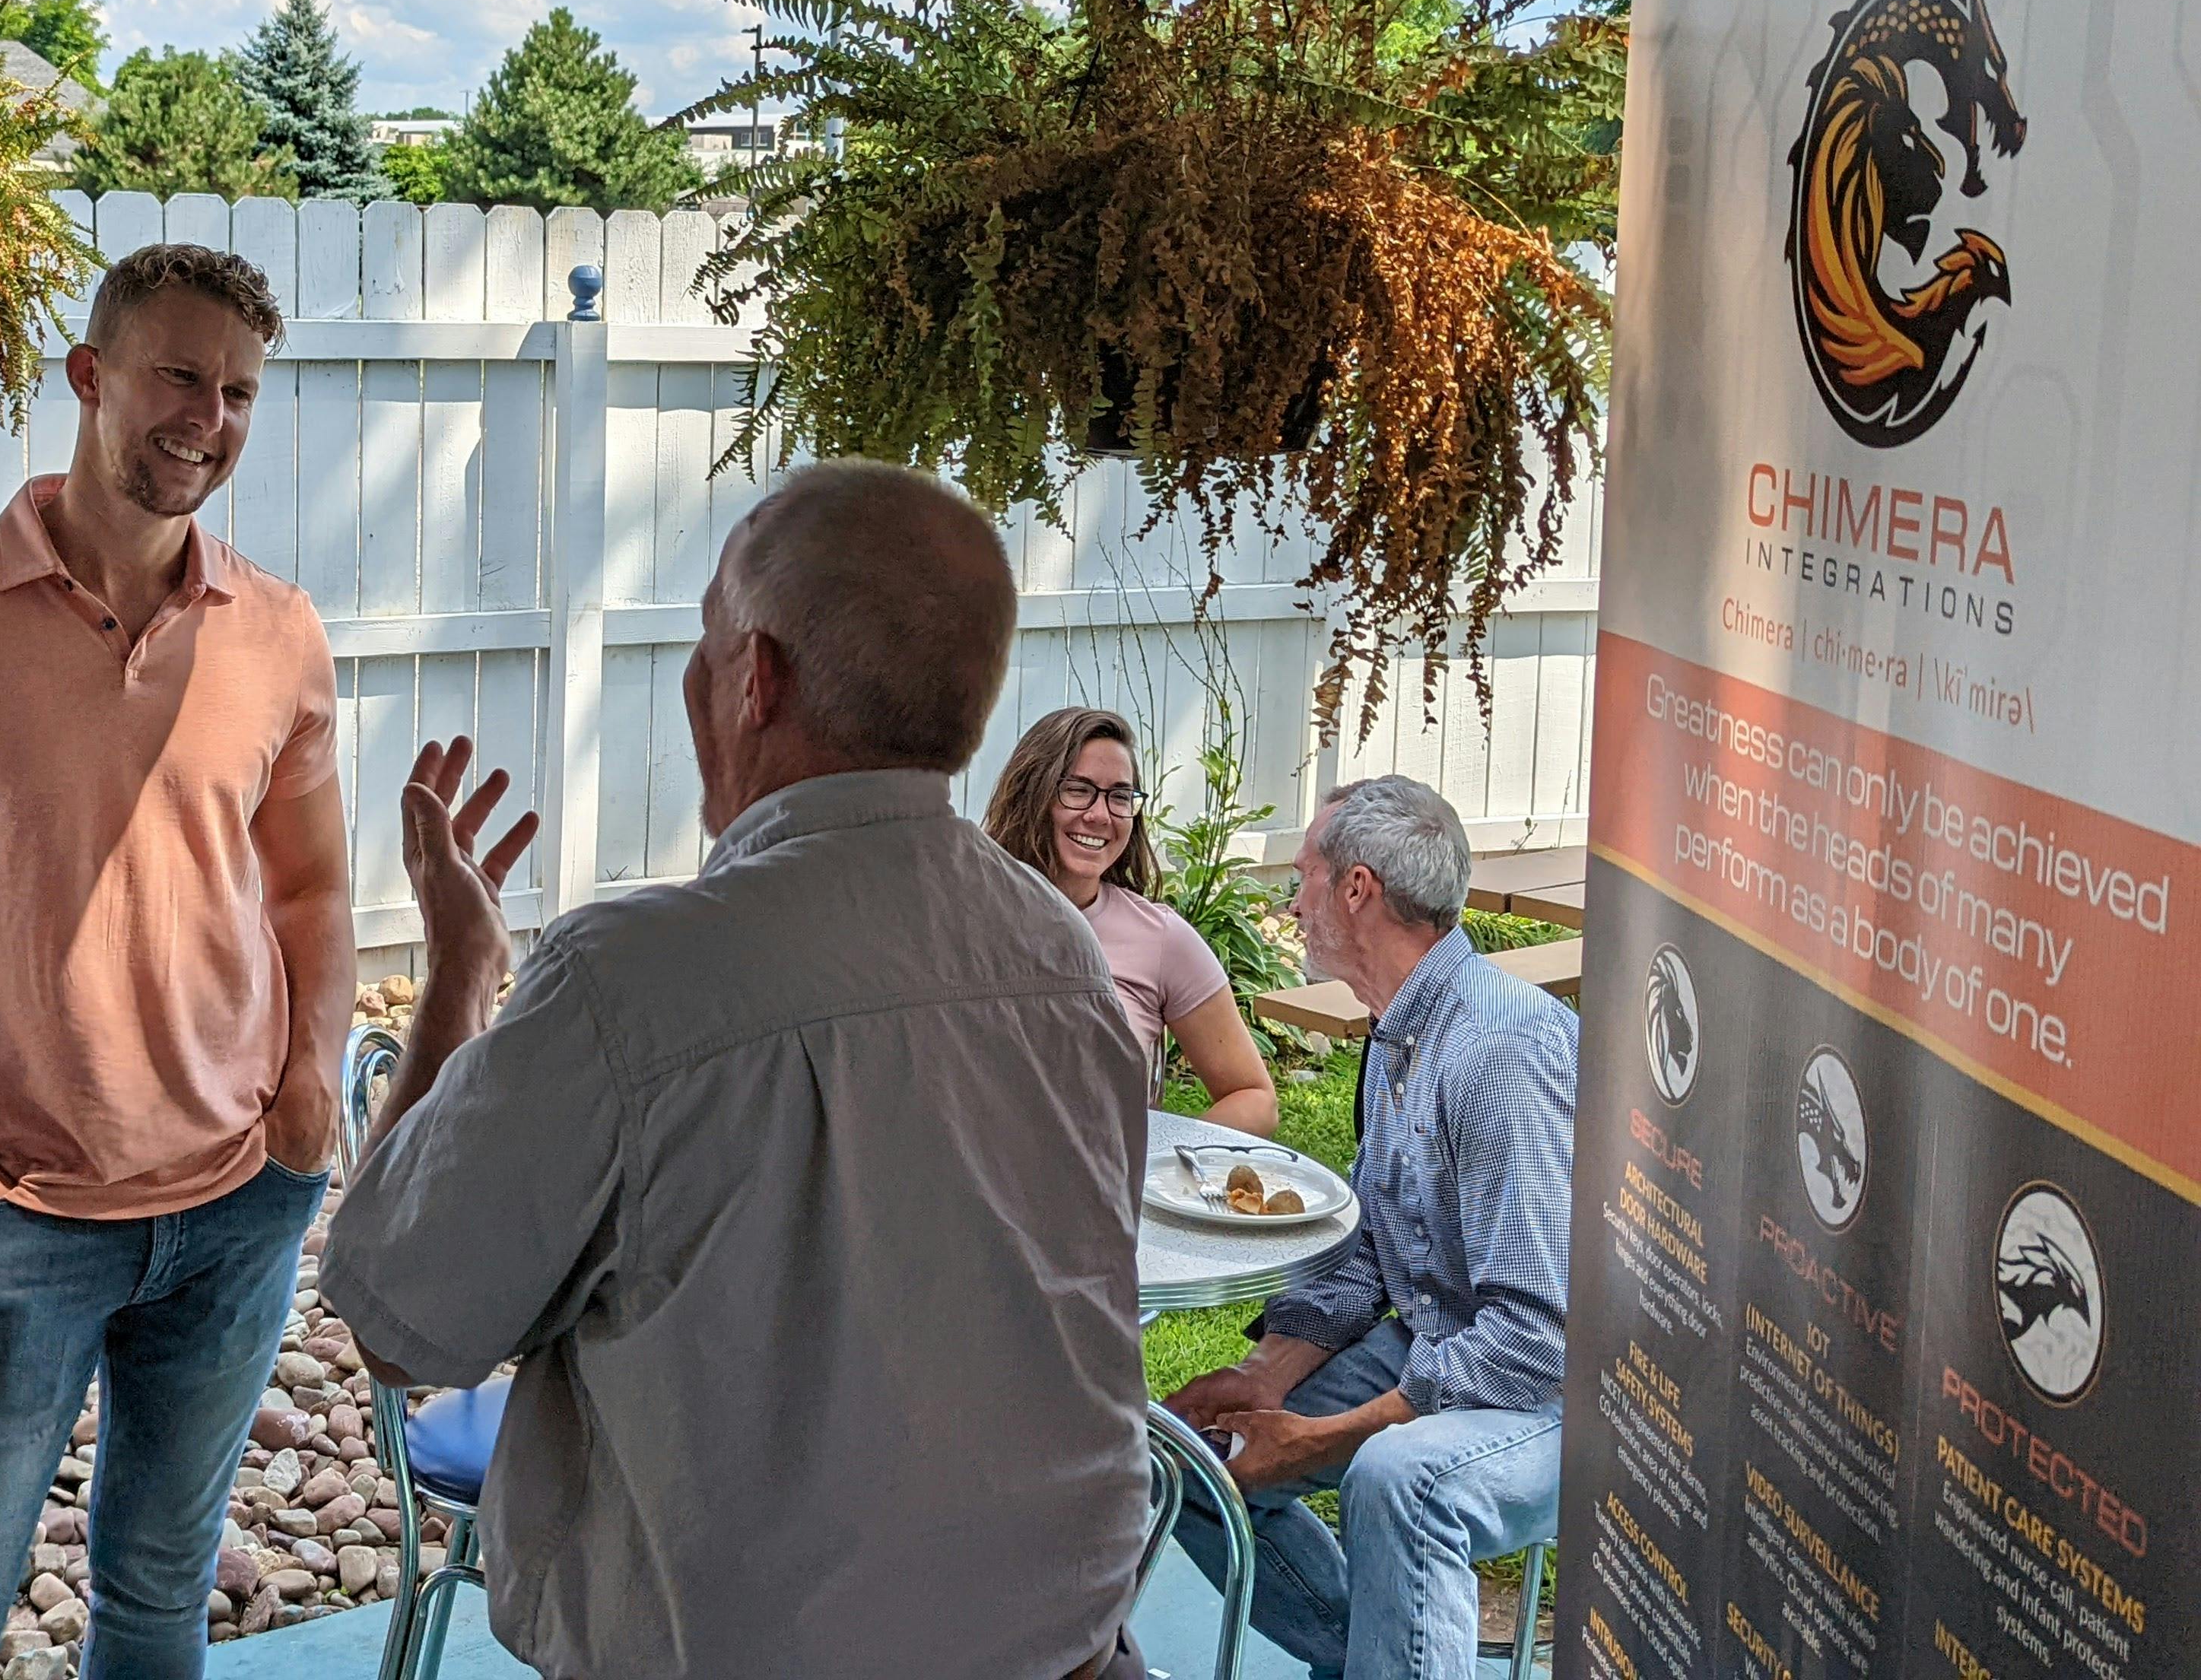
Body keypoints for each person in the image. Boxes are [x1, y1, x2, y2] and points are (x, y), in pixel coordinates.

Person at [324, 460, 1154, 1680]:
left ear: (755, 679)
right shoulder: (1060, 955)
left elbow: (403, 1320)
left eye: (706, 641)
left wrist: (460, 968)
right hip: (1069, 1644)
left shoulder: (638, 980)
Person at [0, 242, 351, 1680]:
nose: (210, 417)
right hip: (20, 1211)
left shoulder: (280, 632)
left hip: (240, 1199)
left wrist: (307, 1096)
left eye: (239, 390)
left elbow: (309, 886)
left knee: (162, 1581)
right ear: (91, 375)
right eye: (180, 374)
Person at [1164, 773, 1574, 1680]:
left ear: (1358, 890)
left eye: (1304, 873)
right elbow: (1369, 1261)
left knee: (1397, 1482)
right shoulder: (1401, 1032)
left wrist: (1327, 1436)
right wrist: (1261, 1378)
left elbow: (1533, 1340)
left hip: (1559, 1389)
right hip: (1446, 1343)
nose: (1291, 899)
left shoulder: (1499, 1050)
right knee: (1191, 1458)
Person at [984, 706, 1279, 1133]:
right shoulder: (965, 919)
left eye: (1120, 796)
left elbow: (1254, 1098)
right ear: (1033, 793)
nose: (1100, 815)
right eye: (1078, 789)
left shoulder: (1160, 939)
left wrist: (1157, 1162)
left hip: (1106, 1198)